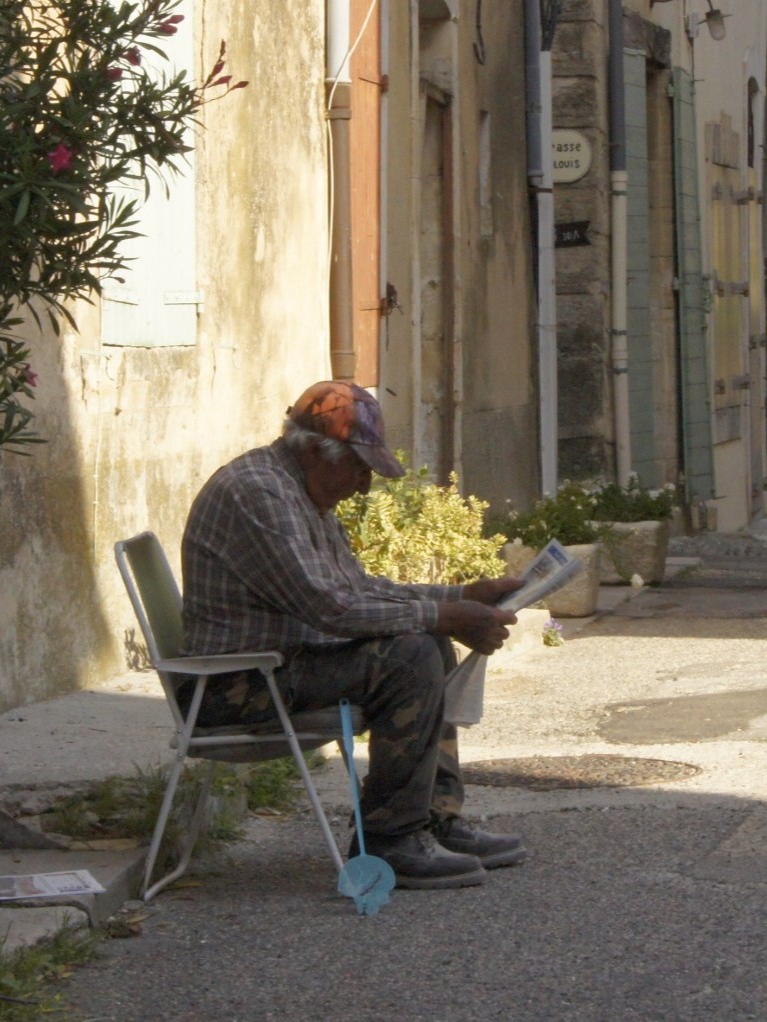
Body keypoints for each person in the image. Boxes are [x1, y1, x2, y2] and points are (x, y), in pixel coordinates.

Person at [180, 380, 527, 890]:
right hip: (235, 685)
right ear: (317, 453)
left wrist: (458, 597)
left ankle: (435, 817)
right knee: (411, 656)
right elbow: (331, 608)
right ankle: (392, 839)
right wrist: (444, 615)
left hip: (281, 666)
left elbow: (360, 588)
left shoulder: (299, 489)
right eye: (360, 469)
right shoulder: (258, 494)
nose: (363, 487)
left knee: (427, 641)